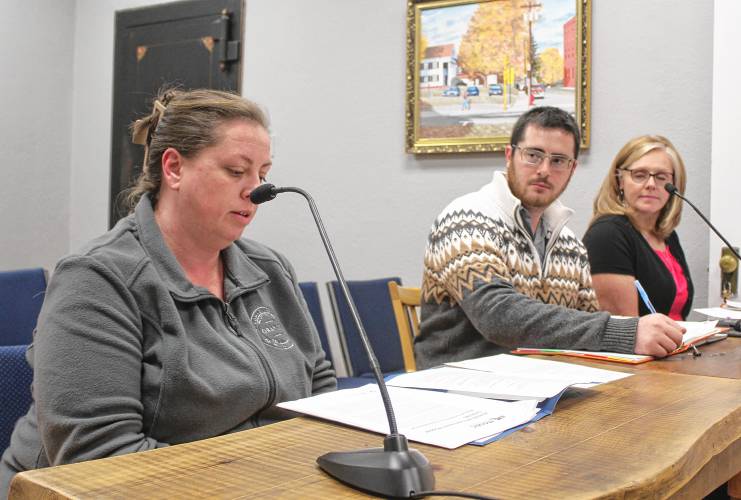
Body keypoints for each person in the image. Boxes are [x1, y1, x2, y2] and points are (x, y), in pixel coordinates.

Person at [0, 89, 336, 494]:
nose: (257, 192)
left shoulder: (271, 270)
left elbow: (319, 391)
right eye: (235, 171)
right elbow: (100, 459)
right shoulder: (98, 279)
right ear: (174, 168)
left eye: (262, 175)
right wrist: (265, 475)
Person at [415, 106, 685, 369]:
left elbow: (586, 328)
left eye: (558, 161)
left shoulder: (569, 245)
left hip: (543, 389)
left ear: (572, 168)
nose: (544, 169)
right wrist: (626, 332)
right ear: (509, 155)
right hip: (458, 390)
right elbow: (498, 316)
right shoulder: (466, 219)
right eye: (533, 155)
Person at [583, 135, 693, 320]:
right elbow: (624, 329)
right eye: (639, 175)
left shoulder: (666, 235)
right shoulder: (607, 236)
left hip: (677, 345)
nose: (651, 185)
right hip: (640, 348)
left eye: (661, 177)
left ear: (674, 184)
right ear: (620, 181)